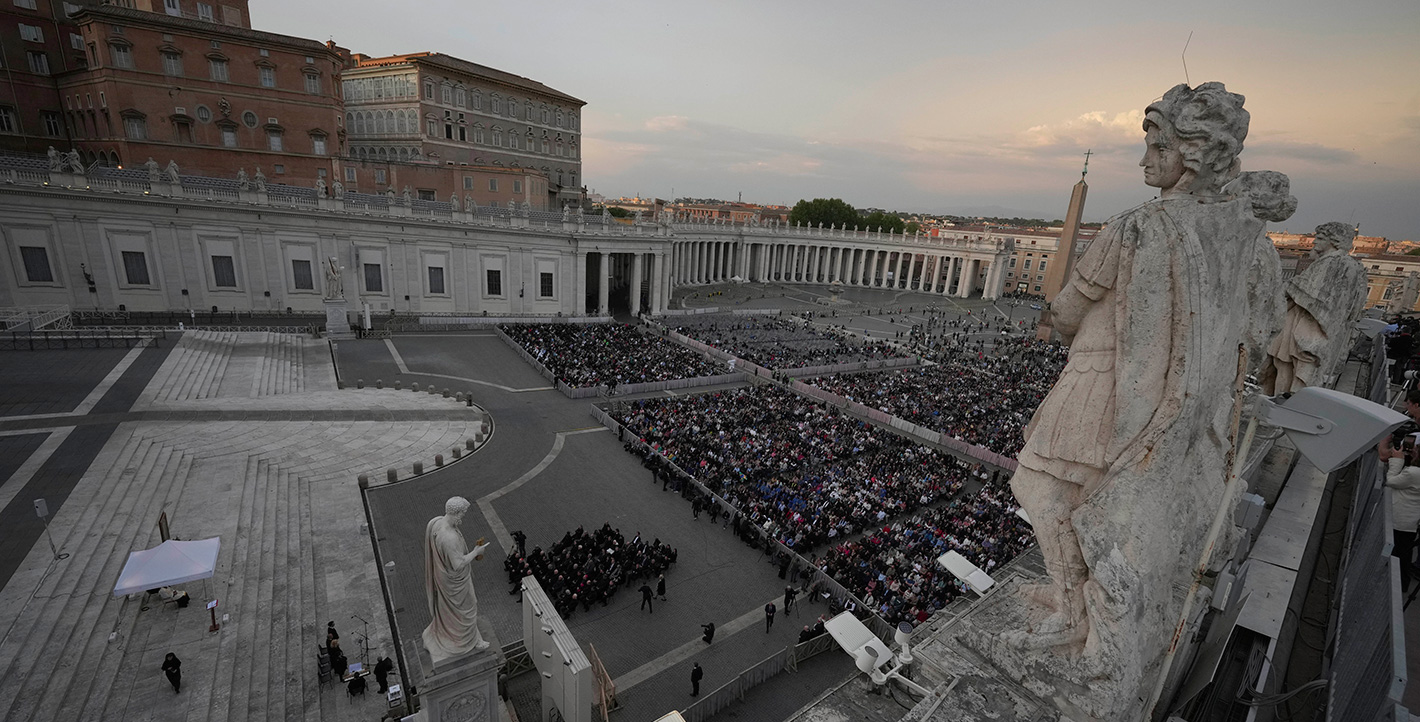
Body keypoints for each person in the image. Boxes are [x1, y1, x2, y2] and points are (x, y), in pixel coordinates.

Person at [422, 497, 492, 663]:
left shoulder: (437, 522)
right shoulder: (449, 537)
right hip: (455, 582)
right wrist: (476, 551)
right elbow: (458, 564)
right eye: (462, 514)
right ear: (455, 513)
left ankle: (470, 636)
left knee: (451, 610)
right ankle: (465, 640)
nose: (463, 518)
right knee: (468, 607)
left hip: (445, 578)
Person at [1386, 435, 1420, 592]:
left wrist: (1397, 460)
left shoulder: (1414, 473)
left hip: (1400, 520)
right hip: (1409, 522)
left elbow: (1392, 480)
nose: (1413, 450)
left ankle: (1397, 585)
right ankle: (1400, 584)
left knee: (1397, 553)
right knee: (1404, 553)